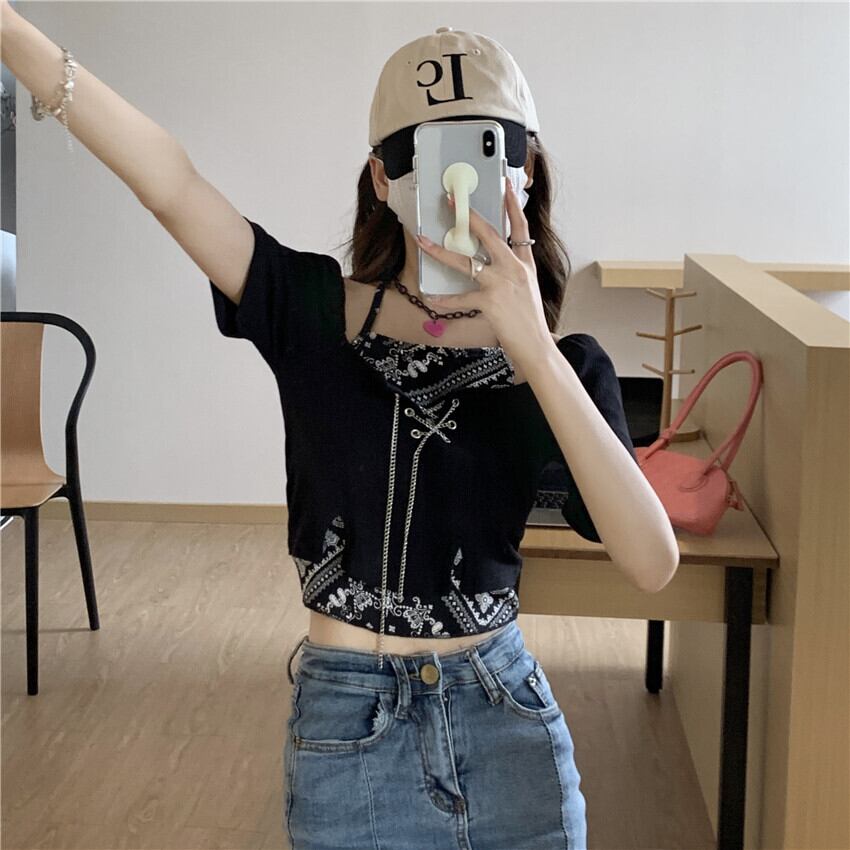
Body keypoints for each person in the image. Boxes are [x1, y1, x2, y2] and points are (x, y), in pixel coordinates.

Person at [4, 9, 679, 847]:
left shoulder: (564, 366)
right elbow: (170, 183)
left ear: (526, 172)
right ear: (381, 178)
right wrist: (11, 30)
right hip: (348, 727)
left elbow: (651, 562)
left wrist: (534, 348)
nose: (450, 181)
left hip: (506, 723)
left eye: (483, 148)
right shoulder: (312, 312)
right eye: (420, 154)